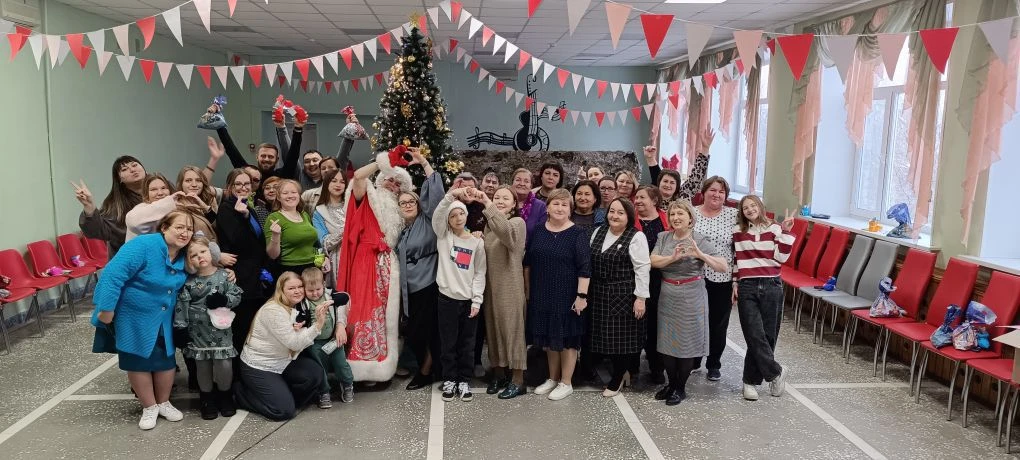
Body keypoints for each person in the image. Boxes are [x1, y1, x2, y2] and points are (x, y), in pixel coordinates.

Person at [90, 211, 194, 430]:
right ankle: (149, 406)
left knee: (166, 359)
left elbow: (207, 255)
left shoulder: (184, 253)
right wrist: (106, 308)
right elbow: (113, 274)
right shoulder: (144, 245)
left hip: (164, 316)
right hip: (132, 315)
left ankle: (163, 402)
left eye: (189, 229)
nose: (185, 233)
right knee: (137, 360)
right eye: (179, 227)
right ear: (164, 228)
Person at [337, 145, 415, 382]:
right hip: (365, 261)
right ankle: (359, 365)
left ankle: (382, 363)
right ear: (381, 180)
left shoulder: (402, 210)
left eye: (398, 183)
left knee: (386, 317)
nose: (393, 184)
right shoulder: (370, 196)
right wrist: (385, 161)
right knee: (363, 310)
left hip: (390, 266)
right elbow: (359, 176)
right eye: (389, 179)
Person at [650, 201, 728, 406]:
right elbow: (653, 261)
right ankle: (671, 384)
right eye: (672, 214)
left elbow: (723, 266)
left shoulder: (699, 239)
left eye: (680, 214)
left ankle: (680, 387)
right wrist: (672, 258)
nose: (676, 218)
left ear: (690, 218)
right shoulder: (663, 237)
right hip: (668, 294)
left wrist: (700, 255)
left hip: (692, 296)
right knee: (667, 343)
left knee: (686, 344)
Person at [234, 272, 330, 421]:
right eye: (291, 288)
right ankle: (240, 394)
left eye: (300, 287)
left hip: (283, 360)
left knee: (315, 373)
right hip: (260, 365)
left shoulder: (297, 306)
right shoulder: (273, 310)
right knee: (283, 412)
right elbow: (294, 343)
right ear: (281, 290)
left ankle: (281, 395)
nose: (297, 291)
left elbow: (296, 340)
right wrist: (318, 325)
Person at [525, 189, 591, 401]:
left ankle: (566, 382)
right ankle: (552, 378)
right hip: (542, 293)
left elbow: (585, 268)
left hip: (568, 295)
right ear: (547, 207)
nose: (560, 208)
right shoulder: (538, 230)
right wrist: (528, 292)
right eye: (556, 204)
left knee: (567, 339)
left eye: (564, 205)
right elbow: (528, 263)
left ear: (570, 210)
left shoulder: (578, 233)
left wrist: (581, 296)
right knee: (549, 339)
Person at [173, 236, 243, 420]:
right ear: (188, 260)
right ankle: (206, 398)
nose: (200, 257)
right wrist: (180, 328)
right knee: (202, 365)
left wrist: (225, 300)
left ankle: (225, 395)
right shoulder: (188, 282)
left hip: (221, 331)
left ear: (212, 252)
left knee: (224, 364)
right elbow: (182, 305)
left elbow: (236, 295)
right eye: (193, 255)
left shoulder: (225, 276)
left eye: (203, 252)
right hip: (198, 332)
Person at [733, 195, 795, 401]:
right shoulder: (738, 231)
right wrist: (734, 283)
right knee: (753, 334)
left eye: (753, 205)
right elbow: (735, 260)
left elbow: (782, 257)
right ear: (742, 212)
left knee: (768, 335)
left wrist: (786, 232)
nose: (750, 210)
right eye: (745, 208)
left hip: (771, 284)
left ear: (760, 206)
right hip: (747, 286)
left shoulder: (775, 228)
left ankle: (749, 382)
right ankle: (776, 371)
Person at [588, 198, 651, 398]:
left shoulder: (636, 236)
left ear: (629, 216)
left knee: (621, 341)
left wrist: (641, 298)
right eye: (612, 211)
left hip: (623, 294)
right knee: (603, 337)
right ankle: (619, 374)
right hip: (598, 293)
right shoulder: (598, 232)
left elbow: (642, 269)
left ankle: (617, 380)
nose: (614, 216)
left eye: (620, 213)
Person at [394, 149, 444, 390]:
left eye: (411, 201)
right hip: (408, 289)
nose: (407, 205)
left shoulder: (428, 220)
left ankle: (425, 372)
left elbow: (436, 196)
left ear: (418, 203)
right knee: (413, 333)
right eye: (402, 203)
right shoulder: (401, 231)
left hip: (428, 283)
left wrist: (424, 162)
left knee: (427, 331)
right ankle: (429, 367)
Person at [433, 189, 487, 402]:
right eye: (453, 215)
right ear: (448, 220)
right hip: (446, 299)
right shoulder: (443, 237)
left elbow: (480, 272)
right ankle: (450, 379)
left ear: (466, 215)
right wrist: (452, 195)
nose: (457, 218)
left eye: (461, 213)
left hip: (468, 301)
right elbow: (438, 215)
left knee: (467, 344)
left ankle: (464, 380)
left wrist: (477, 300)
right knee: (448, 344)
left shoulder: (476, 242)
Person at [474, 186, 528, 399]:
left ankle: (518, 380)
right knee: (493, 330)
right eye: (497, 197)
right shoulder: (489, 225)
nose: (500, 200)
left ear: (514, 204)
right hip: (490, 286)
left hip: (510, 287)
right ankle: (499, 373)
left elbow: (507, 236)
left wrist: (487, 203)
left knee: (512, 332)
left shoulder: (517, 223)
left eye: (506, 198)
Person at [216, 168, 270, 355]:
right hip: (239, 275)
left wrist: (246, 214)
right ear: (229, 187)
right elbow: (239, 241)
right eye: (238, 184)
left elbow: (259, 242)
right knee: (241, 327)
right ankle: (238, 369)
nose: (243, 187)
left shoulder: (249, 209)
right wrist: (243, 216)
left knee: (253, 326)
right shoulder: (227, 208)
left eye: (247, 183)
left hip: (254, 275)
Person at [692, 176, 739, 380]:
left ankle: (714, 364)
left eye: (721, 192)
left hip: (722, 277)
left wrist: (736, 281)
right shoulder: (692, 212)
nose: (716, 195)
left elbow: (739, 250)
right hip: (695, 277)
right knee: (695, 321)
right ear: (703, 192)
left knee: (718, 324)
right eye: (712, 190)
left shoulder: (733, 215)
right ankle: (693, 359)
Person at [297, 268, 353, 407]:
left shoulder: (329, 294)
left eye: (318, 289)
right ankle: (324, 391)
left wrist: (332, 302)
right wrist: (300, 323)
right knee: (320, 367)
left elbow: (345, 297)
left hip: (333, 339)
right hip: (314, 343)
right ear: (304, 289)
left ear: (323, 284)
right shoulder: (303, 302)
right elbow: (300, 317)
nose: (315, 293)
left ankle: (347, 384)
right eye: (310, 291)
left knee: (341, 364)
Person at [208, 102, 306, 182]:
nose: (266, 159)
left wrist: (298, 128)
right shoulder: (248, 174)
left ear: (277, 159)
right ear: (257, 157)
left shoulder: (283, 175)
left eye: (270, 157)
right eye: (263, 156)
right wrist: (218, 121)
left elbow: (293, 155)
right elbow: (231, 150)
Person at [633, 185, 670, 383]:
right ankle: (632, 367)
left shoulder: (666, 219)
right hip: (635, 278)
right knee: (635, 322)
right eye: (636, 197)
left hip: (659, 278)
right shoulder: (630, 218)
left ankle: (657, 367)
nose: (637, 201)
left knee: (656, 323)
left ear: (654, 200)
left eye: (642, 197)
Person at [75, 156, 146, 256]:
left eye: (134, 165)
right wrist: (89, 206)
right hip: (130, 258)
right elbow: (97, 230)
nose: (132, 170)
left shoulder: (162, 190)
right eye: (124, 169)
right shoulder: (115, 205)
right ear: (119, 179)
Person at [642, 130, 713, 209]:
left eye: (672, 182)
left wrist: (705, 149)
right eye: (665, 181)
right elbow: (655, 173)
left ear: (677, 186)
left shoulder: (683, 195)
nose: (668, 185)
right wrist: (650, 158)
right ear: (659, 183)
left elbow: (696, 177)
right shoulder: (652, 198)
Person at [265, 179, 319, 279]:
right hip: (290, 271)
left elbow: (315, 244)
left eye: (294, 192)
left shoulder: (304, 215)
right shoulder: (274, 218)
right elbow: (272, 255)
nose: (290, 196)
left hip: (312, 268)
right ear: (278, 197)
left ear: (299, 195)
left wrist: (325, 258)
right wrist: (275, 235)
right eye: (285, 193)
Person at [312, 168, 347, 288]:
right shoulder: (319, 212)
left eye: (342, 182)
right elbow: (324, 243)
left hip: (359, 255)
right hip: (337, 259)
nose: (338, 185)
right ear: (326, 183)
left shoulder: (352, 205)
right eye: (334, 181)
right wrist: (347, 230)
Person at [510, 168, 547, 237]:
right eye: (518, 180)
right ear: (512, 183)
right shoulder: (504, 203)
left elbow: (542, 234)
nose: (522, 184)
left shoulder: (540, 207)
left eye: (526, 181)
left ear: (531, 186)